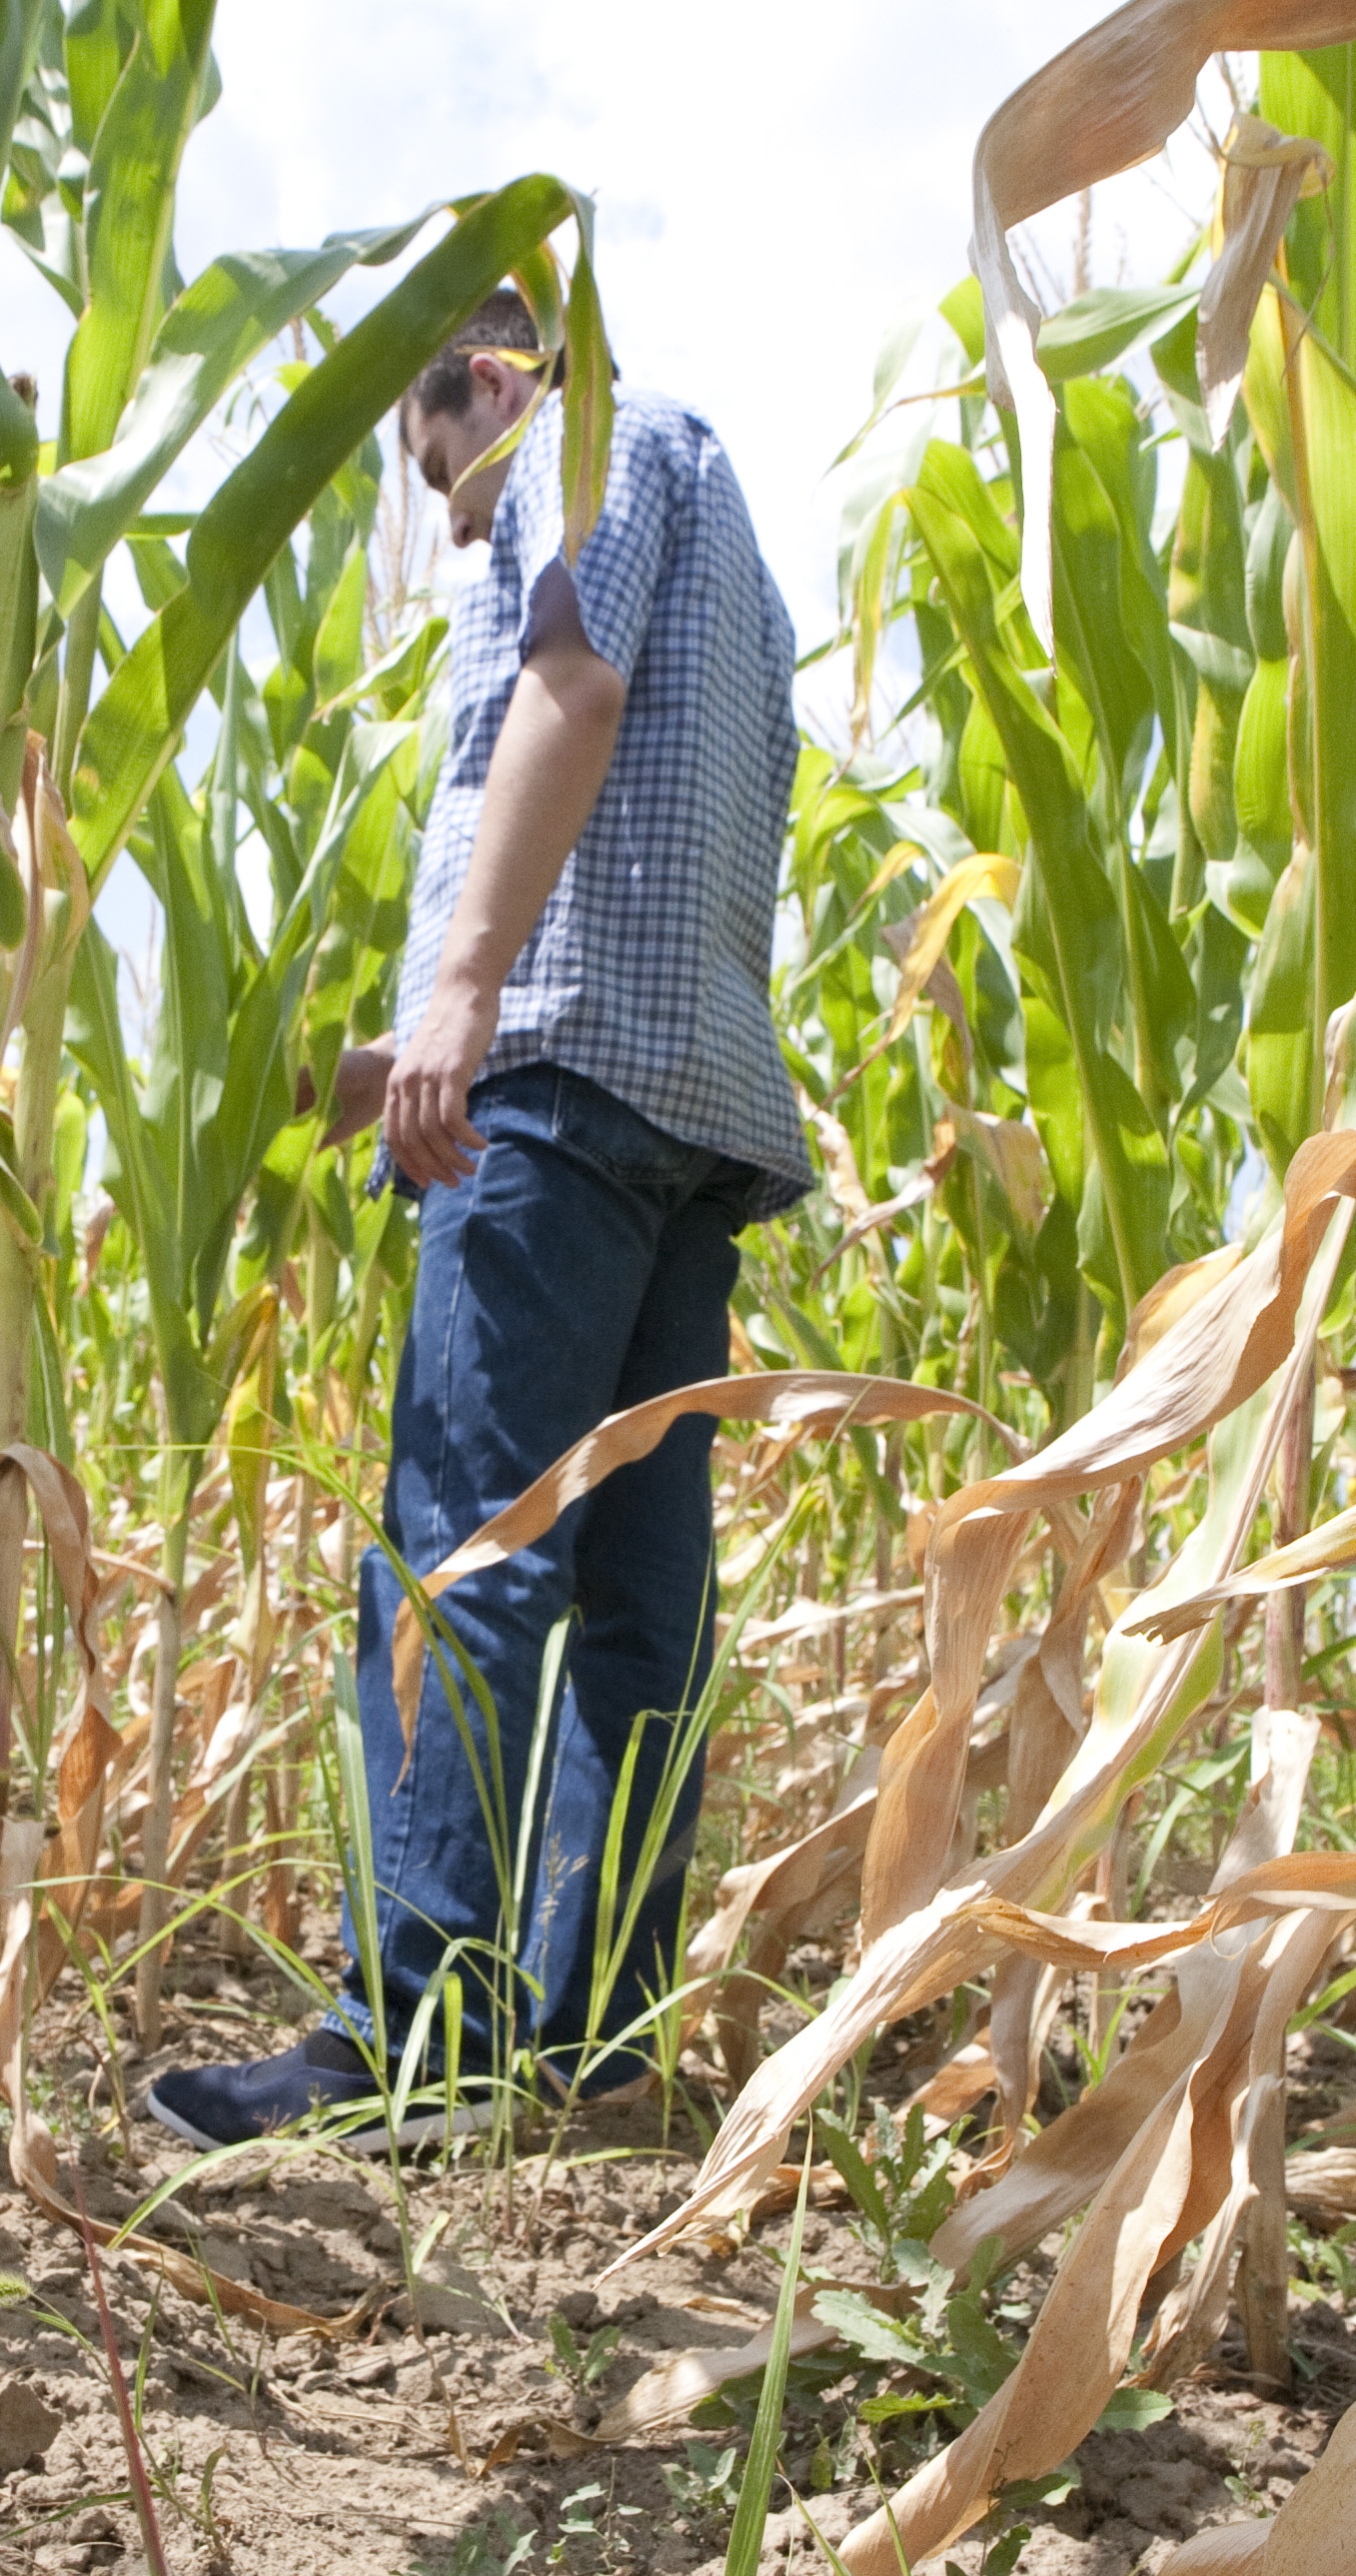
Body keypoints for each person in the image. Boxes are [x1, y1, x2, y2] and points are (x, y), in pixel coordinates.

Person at [143, 291, 808, 2152]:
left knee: (463, 1552)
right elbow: (651, 838)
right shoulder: (721, 509)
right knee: (634, 1600)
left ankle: (413, 2040)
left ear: (493, 386)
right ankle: (597, 2046)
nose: (453, 520)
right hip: (691, 1112)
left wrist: (458, 995)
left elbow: (570, 689)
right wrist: (379, 1057)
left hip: (557, 1097)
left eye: (445, 476)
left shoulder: (581, 453)